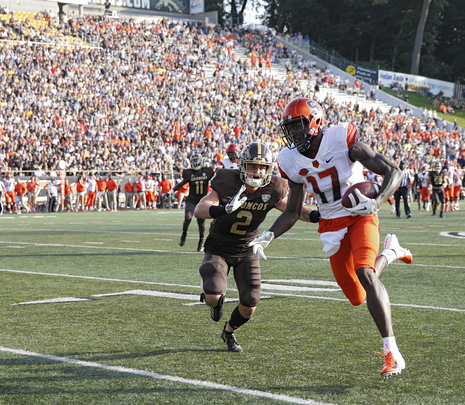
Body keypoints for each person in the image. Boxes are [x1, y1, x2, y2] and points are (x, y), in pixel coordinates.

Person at [251, 98, 414, 378]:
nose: (294, 135)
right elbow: (292, 212)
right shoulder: (289, 160)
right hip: (330, 223)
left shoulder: (343, 139)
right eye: (289, 129)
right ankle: (390, 252)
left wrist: (376, 203)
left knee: (365, 272)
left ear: (315, 122)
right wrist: (268, 235)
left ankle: (392, 353)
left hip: (361, 213)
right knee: (356, 296)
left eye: (298, 127)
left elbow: (394, 172)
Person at [193, 142, 319, 353]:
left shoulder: (274, 187)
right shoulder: (227, 181)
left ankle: (229, 332)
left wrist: (317, 216)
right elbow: (200, 209)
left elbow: (295, 210)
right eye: (253, 166)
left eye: (262, 167)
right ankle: (213, 300)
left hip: (248, 248)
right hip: (219, 247)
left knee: (250, 304)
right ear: (243, 165)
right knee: (213, 295)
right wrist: (224, 208)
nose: (258, 171)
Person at [171, 155, 215, 251]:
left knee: (201, 224)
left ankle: (201, 242)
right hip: (191, 199)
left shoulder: (207, 171)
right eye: (193, 161)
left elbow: (217, 177)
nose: (195, 163)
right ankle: (184, 233)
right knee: (188, 218)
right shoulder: (189, 173)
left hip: (202, 200)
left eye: (196, 160)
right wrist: (170, 192)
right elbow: (181, 184)